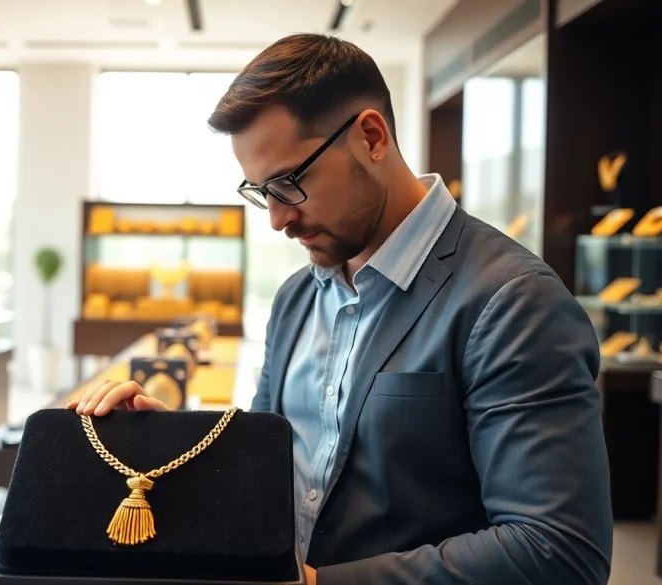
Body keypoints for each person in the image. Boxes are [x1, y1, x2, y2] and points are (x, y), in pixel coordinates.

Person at [66, 33, 612, 584]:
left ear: (371, 137)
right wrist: (175, 445)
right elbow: (270, 467)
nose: (277, 220)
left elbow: (558, 552)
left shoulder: (514, 302)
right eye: (260, 192)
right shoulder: (296, 299)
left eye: (288, 183)